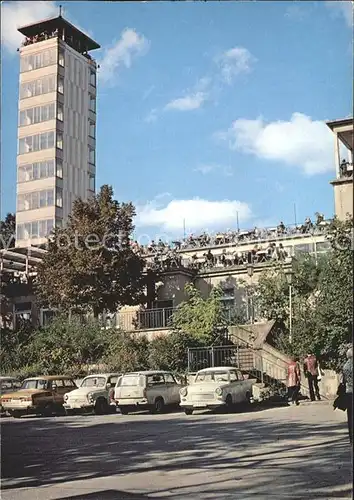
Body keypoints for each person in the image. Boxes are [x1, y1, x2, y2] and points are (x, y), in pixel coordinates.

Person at [342, 347, 353, 444]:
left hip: (348, 392)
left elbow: (343, 381)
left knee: (350, 417)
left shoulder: (345, 366)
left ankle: (351, 438)